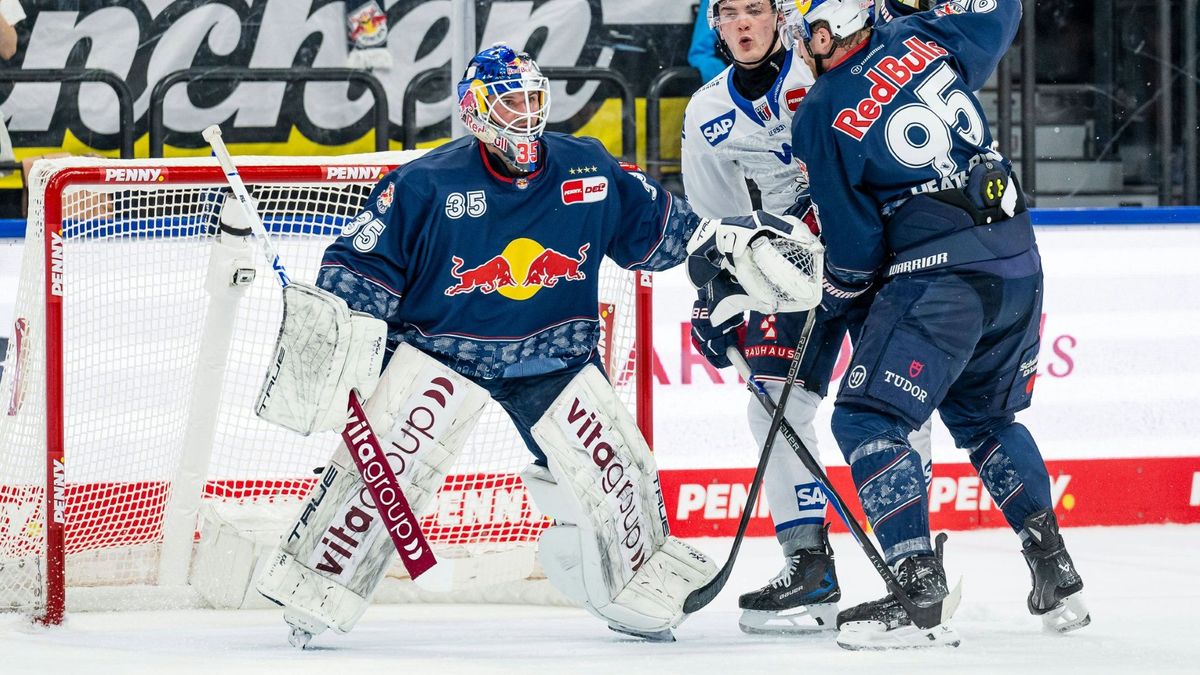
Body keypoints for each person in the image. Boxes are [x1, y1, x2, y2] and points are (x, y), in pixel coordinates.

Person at [251, 43, 802, 647]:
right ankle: (315, 583)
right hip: (442, 353)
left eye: (533, 98)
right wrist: (339, 326)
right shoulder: (423, 183)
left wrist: (726, 245)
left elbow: (665, 230)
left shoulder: (586, 168)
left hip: (554, 355)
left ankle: (633, 579)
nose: (526, 112)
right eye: (510, 100)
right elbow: (360, 266)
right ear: (475, 111)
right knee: (388, 470)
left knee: (620, 470)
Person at [781, 0, 1090, 650]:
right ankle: (1054, 568)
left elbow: (857, 253)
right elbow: (1000, 14)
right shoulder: (917, 34)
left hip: (942, 276)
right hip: (1016, 256)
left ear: (826, 31)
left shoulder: (820, 110)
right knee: (986, 421)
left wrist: (830, 297)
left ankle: (917, 587)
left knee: (866, 417)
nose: (796, 42)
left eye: (802, 29)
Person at [681, 0, 932, 635]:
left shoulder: (826, 63)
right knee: (772, 403)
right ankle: (809, 564)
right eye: (730, 14)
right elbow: (719, 222)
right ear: (716, 23)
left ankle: (914, 556)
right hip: (794, 264)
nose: (744, 25)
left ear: (779, 17)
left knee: (898, 400)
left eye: (756, 11)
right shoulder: (707, 112)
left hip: (874, 251)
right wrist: (716, 290)